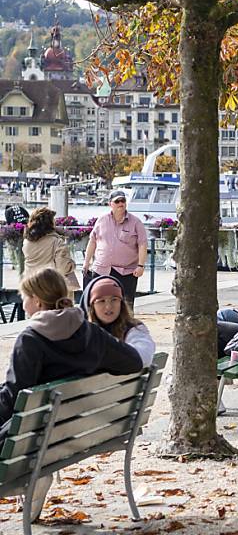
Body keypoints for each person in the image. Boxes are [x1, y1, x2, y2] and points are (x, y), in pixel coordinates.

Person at [0, 268, 142, 519]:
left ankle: (33, 476)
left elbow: (11, 399)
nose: (23, 303)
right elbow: (133, 362)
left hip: (33, 439)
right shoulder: (89, 332)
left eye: (25, 297)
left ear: (38, 301)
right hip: (72, 432)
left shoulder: (31, 339)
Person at [83, 190, 148, 308]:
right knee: (97, 304)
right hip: (101, 270)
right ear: (110, 204)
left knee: (126, 307)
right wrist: (86, 263)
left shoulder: (136, 222)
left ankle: (125, 327)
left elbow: (142, 244)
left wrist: (141, 265)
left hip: (126, 272)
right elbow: (92, 241)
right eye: (117, 201)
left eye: (123, 200)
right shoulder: (102, 220)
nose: (120, 203)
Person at [80, 275, 156, 366]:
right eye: (101, 301)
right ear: (91, 306)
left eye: (114, 300)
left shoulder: (134, 329)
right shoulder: (82, 332)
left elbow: (143, 355)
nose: (108, 307)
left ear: (121, 303)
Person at [22, 207, 80, 292]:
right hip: (51, 287)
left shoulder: (27, 241)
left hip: (31, 284)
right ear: (50, 223)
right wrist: (72, 265)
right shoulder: (56, 242)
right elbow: (63, 267)